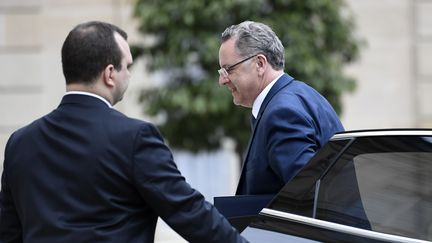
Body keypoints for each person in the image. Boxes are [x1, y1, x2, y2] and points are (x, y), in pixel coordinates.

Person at [0, 21, 248, 243]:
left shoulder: (20, 143)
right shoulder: (135, 138)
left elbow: (8, 233)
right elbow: (188, 212)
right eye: (127, 66)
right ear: (109, 74)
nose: (128, 74)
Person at [218, 21, 344, 195]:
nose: (222, 80)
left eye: (228, 69)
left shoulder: (281, 113)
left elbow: (311, 196)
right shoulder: (302, 95)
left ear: (260, 64)